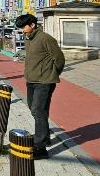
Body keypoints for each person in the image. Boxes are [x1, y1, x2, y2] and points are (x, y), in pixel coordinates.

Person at [15, 13, 65, 159]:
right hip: (31, 80)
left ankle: (40, 147)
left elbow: (59, 59)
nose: (22, 30)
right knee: (35, 109)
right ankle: (45, 137)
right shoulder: (28, 38)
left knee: (38, 110)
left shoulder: (45, 38)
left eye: (23, 27)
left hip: (44, 81)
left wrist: (52, 74)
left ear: (32, 25)